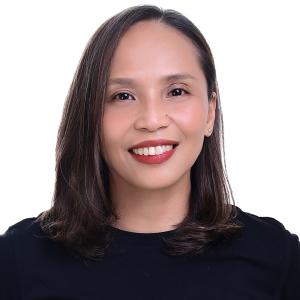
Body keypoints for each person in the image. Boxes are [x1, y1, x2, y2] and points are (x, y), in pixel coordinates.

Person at [0, 5, 299, 299]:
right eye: (122, 96)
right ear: (89, 116)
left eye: (177, 91)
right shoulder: (16, 261)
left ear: (210, 113)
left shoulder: (277, 258)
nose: (152, 120)